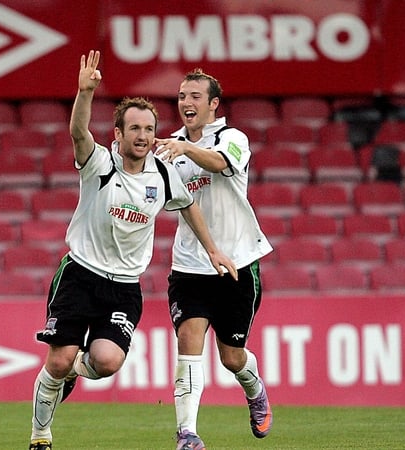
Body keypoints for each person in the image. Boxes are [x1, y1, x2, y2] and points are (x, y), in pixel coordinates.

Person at [28, 50, 238, 450]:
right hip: (80, 273)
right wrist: (84, 93)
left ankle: (74, 371)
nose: (142, 135)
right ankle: (41, 434)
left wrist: (212, 250)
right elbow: (78, 133)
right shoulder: (100, 165)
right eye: (134, 128)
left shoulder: (163, 172)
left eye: (148, 128)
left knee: (105, 361)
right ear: (118, 135)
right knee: (55, 360)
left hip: (124, 286)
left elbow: (188, 205)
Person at [154, 68, 275, 449]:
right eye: (181, 96)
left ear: (213, 104)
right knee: (189, 339)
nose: (186, 103)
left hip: (238, 262)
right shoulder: (169, 145)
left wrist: (186, 148)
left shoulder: (232, 138)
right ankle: (187, 433)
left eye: (194, 96)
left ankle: (255, 391)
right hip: (190, 264)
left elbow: (221, 163)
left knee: (232, 357)